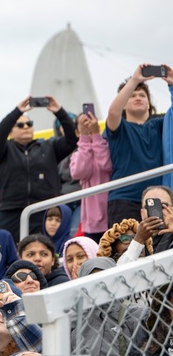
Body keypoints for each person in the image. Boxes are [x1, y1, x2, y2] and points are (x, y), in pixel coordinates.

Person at [0, 96, 77, 241]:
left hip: (44, 211)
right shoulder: (4, 150)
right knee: (6, 255)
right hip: (11, 212)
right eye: (20, 125)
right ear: (10, 132)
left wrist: (59, 111)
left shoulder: (49, 147)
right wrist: (17, 112)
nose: (26, 127)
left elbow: (73, 138)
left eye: (29, 123)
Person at [104, 65, 173, 225]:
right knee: (125, 248)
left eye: (142, 95)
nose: (138, 97)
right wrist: (135, 80)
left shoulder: (159, 125)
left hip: (156, 198)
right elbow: (113, 112)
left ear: (149, 103)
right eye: (132, 95)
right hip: (124, 199)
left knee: (157, 246)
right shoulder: (120, 128)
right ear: (124, 104)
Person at [68, 110, 112, 241]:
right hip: (92, 220)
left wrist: (96, 135)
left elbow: (106, 165)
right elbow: (80, 172)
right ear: (77, 133)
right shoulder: (76, 155)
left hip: (111, 212)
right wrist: (85, 139)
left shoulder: (105, 147)